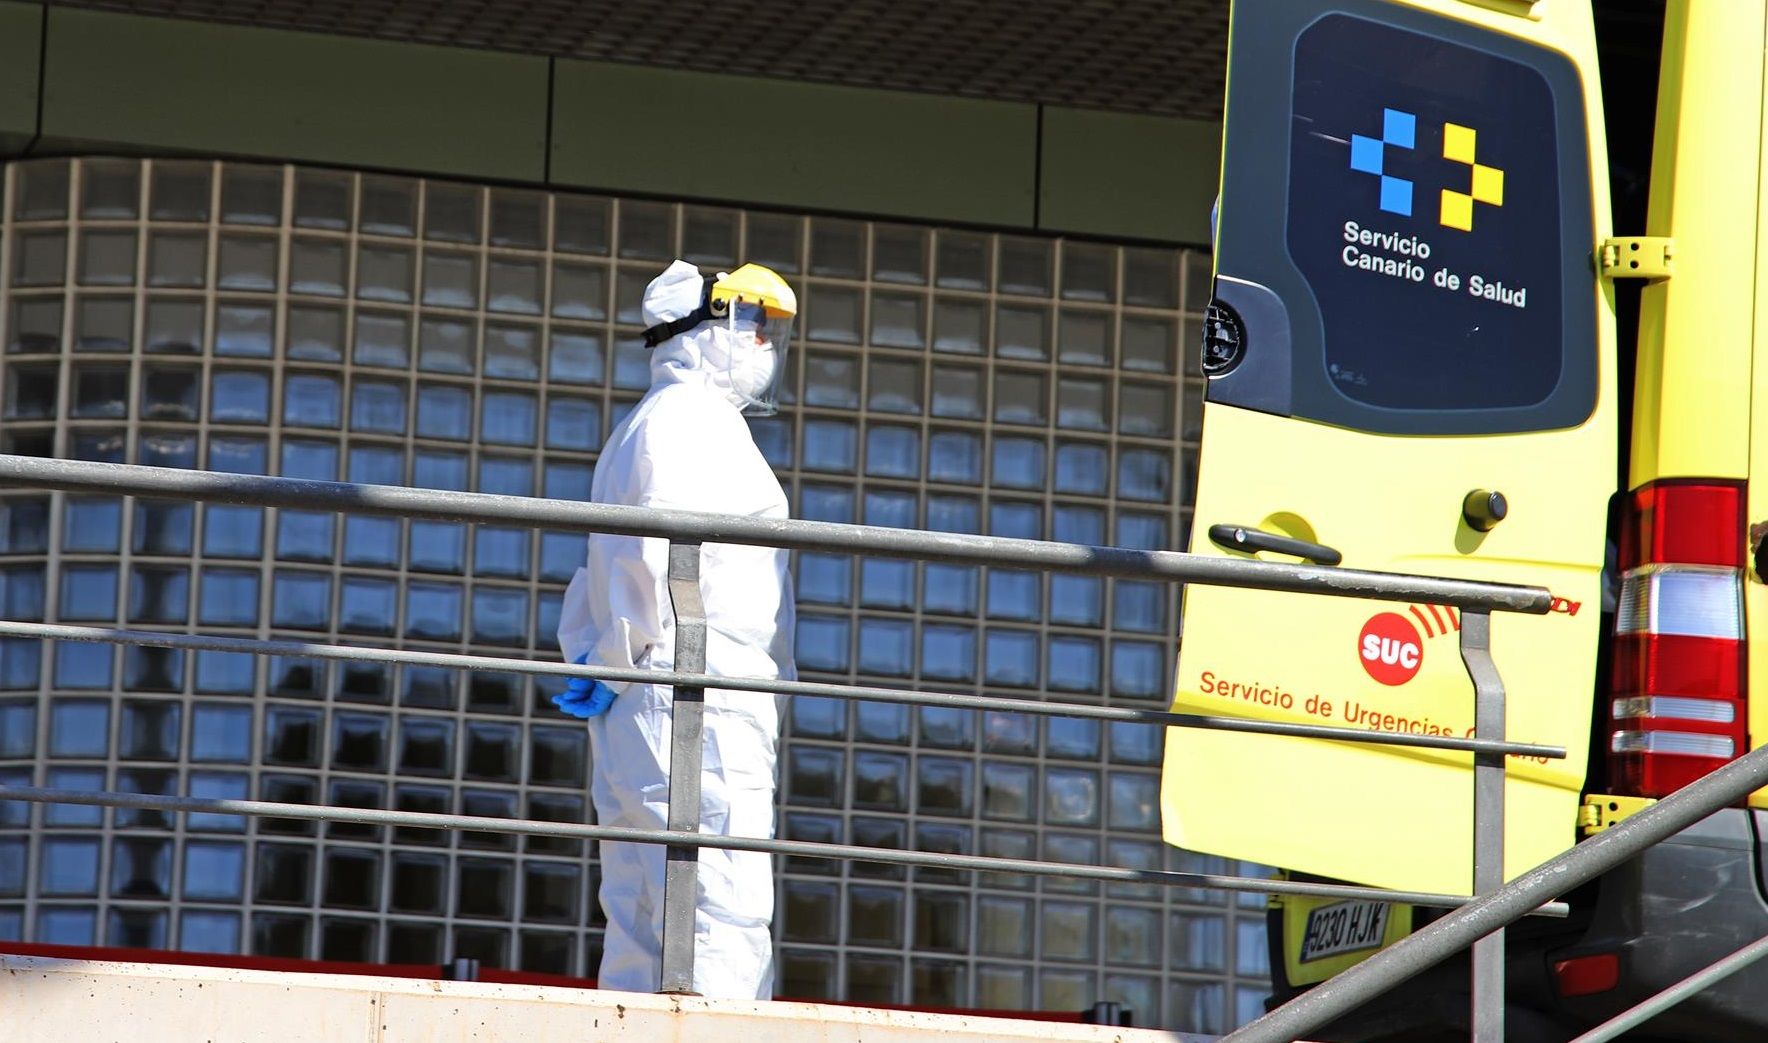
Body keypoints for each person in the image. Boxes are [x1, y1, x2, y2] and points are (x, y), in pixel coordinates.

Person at [554, 259, 798, 999]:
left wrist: (602, 656)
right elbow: (645, 556)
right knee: (716, 902)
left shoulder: (662, 420)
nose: (763, 344)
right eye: (752, 325)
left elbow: (600, 568)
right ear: (705, 327)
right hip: (694, 694)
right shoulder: (687, 420)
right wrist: (621, 654)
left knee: (645, 907)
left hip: (661, 689)